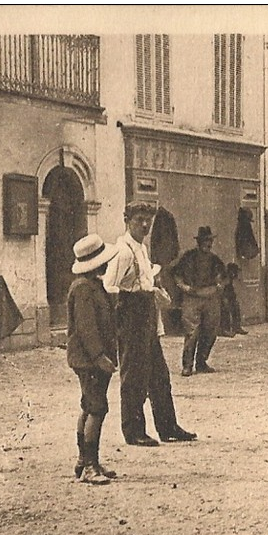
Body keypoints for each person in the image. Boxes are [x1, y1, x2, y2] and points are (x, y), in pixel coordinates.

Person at [103, 201, 196, 447]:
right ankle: (133, 431)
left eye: (148, 221)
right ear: (127, 221)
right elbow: (109, 287)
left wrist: (154, 292)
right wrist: (135, 300)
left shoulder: (141, 249)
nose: (145, 225)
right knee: (134, 375)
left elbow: (144, 280)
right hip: (131, 317)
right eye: (139, 220)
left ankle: (168, 427)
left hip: (147, 317)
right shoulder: (122, 251)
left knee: (159, 376)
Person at [67, 234, 121, 484]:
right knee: (97, 408)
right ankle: (89, 466)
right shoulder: (83, 290)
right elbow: (87, 329)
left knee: (89, 406)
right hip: (89, 360)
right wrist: (100, 357)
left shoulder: (93, 286)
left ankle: (85, 460)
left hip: (93, 359)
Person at [172, 226, 227, 376]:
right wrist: (184, 287)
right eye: (205, 241)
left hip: (210, 297)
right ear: (199, 242)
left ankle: (201, 363)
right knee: (192, 332)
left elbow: (224, 277)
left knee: (210, 331)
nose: (208, 244)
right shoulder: (187, 257)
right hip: (192, 298)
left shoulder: (215, 260)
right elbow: (176, 275)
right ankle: (187, 365)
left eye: (210, 241)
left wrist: (218, 287)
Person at [220, 262, 248, 337]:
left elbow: (232, 291)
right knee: (225, 309)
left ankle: (237, 327)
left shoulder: (231, 278)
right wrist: (224, 299)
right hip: (222, 297)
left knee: (236, 307)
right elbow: (221, 289)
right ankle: (225, 329)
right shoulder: (224, 277)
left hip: (229, 296)